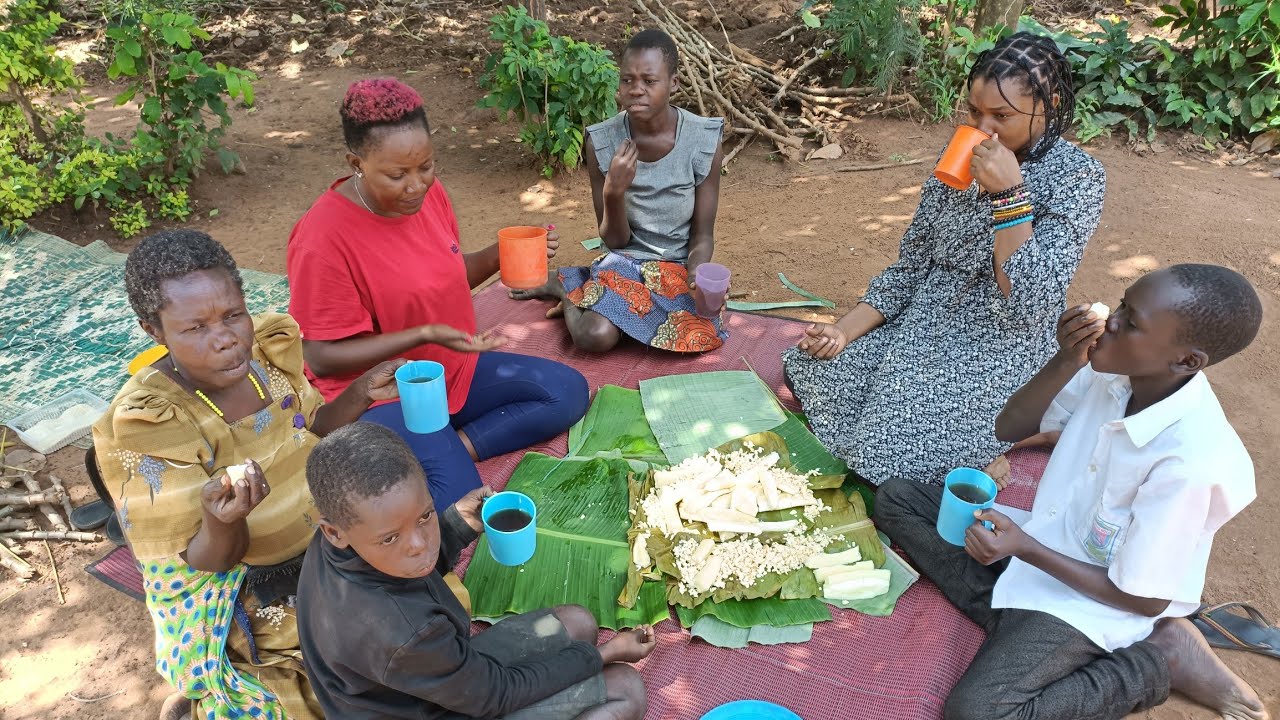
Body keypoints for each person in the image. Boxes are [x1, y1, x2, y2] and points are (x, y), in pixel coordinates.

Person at [875, 264, 1269, 720]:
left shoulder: (1187, 462)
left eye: (1132, 323)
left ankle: (1160, 658)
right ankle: (1020, 623)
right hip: (1049, 540)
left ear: (1186, 361)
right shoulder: (1116, 371)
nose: (1111, 321)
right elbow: (1010, 427)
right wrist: (1066, 359)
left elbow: (1143, 598)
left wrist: (1023, 548)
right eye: (1122, 304)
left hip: (1102, 597)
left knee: (978, 713)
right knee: (898, 498)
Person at [91, 230, 408, 720]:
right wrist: (225, 519)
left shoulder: (267, 352)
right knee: (342, 679)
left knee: (416, 617)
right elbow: (206, 561)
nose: (226, 339)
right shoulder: (151, 421)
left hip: (322, 541)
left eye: (232, 314)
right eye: (194, 328)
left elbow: (311, 429)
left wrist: (363, 391)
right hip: (245, 582)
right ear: (154, 331)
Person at [783, 32, 1106, 486]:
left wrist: (1009, 197)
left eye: (1002, 116)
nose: (984, 130)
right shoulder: (959, 154)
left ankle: (1023, 433)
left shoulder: (1079, 178)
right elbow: (913, 265)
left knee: (886, 445)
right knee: (816, 369)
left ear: (1049, 102)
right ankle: (995, 437)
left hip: (1002, 336)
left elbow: (1029, 302)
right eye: (975, 112)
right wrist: (842, 330)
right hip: (930, 314)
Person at [286, 77, 590, 511]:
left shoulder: (428, 195)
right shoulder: (322, 238)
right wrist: (420, 334)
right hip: (380, 395)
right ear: (356, 162)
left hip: (447, 372)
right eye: (397, 175)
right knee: (461, 510)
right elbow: (320, 357)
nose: (416, 186)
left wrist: (506, 255)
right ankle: (425, 454)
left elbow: (446, 273)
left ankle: (447, 448)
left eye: (425, 166)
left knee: (566, 392)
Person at [297, 422, 656, 719]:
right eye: (391, 537)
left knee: (579, 622)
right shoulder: (404, 633)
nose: (421, 544)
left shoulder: (342, 539)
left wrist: (454, 525)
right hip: (438, 703)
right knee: (626, 689)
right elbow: (496, 695)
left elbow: (397, 569)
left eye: (424, 516)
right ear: (334, 531)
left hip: (434, 680)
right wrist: (603, 655)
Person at [510, 29, 728, 354]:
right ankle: (566, 285)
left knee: (701, 337)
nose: (636, 90)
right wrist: (614, 191)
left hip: (675, 267)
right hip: (624, 261)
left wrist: (696, 275)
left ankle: (596, 296)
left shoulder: (702, 141)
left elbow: (702, 237)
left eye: (649, 81)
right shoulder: (603, 141)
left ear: (674, 83)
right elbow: (614, 241)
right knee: (593, 336)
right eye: (627, 80)